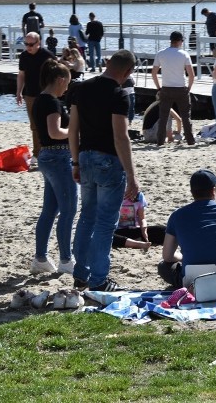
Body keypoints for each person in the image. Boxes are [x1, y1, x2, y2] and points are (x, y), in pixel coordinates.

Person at [68, 49, 140, 292]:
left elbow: (73, 129)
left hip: (85, 157)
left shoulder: (81, 88)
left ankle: (81, 274)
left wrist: (75, 161)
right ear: (128, 71)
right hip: (108, 160)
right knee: (106, 223)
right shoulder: (119, 94)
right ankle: (99, 279)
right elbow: (121, 137)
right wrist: (131, 174)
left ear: (108, 63)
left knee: (86, 216)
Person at [31, 59, 78, 275]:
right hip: (59, 156)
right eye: (67, 82)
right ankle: (66, 260)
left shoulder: (40, 100)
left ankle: (40, 257)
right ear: (60, 80)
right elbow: (55, 132)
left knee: (50, 210)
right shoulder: (52, 102)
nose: (67, 88)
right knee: (68, 210)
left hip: (47, 156)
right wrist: (76, 131)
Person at [158, 169, 216, 289]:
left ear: (192, 191)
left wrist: (184, 257)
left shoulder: (177, 215)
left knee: (163, 266)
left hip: (192, 280)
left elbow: (167, 256)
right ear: (214, 189)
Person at [151, 31, 196, 146]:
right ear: (180, 41)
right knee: (186, 116)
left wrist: (158, 88)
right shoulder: (184, 54)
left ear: (171, 41)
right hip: (181, 88)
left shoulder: (161, 53)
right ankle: (190, 141)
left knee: (163, 117)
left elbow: (154, 73)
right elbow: (191, 75)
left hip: (166, 88)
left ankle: (160, 141)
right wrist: (189, 88)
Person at [16, 32, 56, 164]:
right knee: (34, 125)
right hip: (30, 94)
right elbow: (21, 75)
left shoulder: (47, 55)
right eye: (26, 44)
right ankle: (37, 153)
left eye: (31, 44)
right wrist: (19, 92)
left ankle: (50, 150)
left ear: (38, 43)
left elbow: (57, 71)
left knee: (49, 123)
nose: (28, 47)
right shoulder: (23, 56)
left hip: (46, 94)